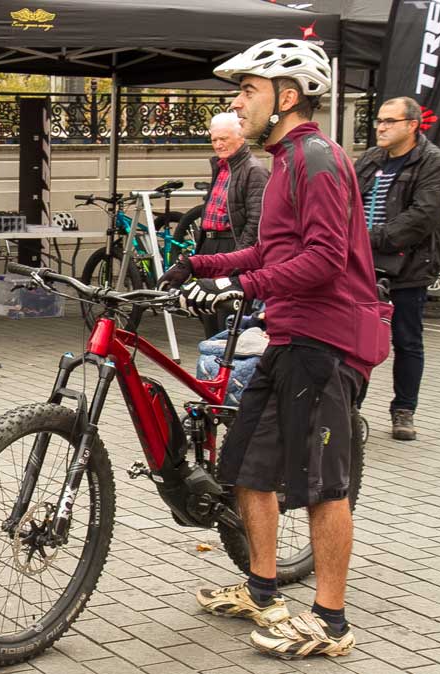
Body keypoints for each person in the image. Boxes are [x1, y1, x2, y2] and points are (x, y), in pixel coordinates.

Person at [159, 39, 386, 659]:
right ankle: (263, 591)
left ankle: (332, 624)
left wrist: (238, 288)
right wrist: (199, 265)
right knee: (248, 468)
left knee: (322, 485)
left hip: (328, 340)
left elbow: (322, 260)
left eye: (249, 91)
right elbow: (269, 251)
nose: (239, 103)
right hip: (288, 336)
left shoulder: (317, 158)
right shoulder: (284, 160)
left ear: (286, 98)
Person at [355, 96, 440, 441]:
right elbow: (344, 197)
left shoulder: (433, 163)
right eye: (379, 120)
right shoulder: (370, 159)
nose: (380, 127)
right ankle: (352, 407)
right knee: (356, 339)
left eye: (389, 121)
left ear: (412, 125)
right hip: (362, 264)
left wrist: (367, 238)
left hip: (408, 267)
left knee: (407, 341)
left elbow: (421, 218)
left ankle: (404, 410)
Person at [197, 111, 268, 336]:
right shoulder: (221, 167)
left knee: (228, 322)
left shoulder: (254, 170)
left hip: (232, 248)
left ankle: (227, 369)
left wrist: (237, 261)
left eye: (223, 139)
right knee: (208, 313)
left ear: (240, 137)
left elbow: (256, 223)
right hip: (211, 247)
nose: (218, 144)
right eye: (214, 139)